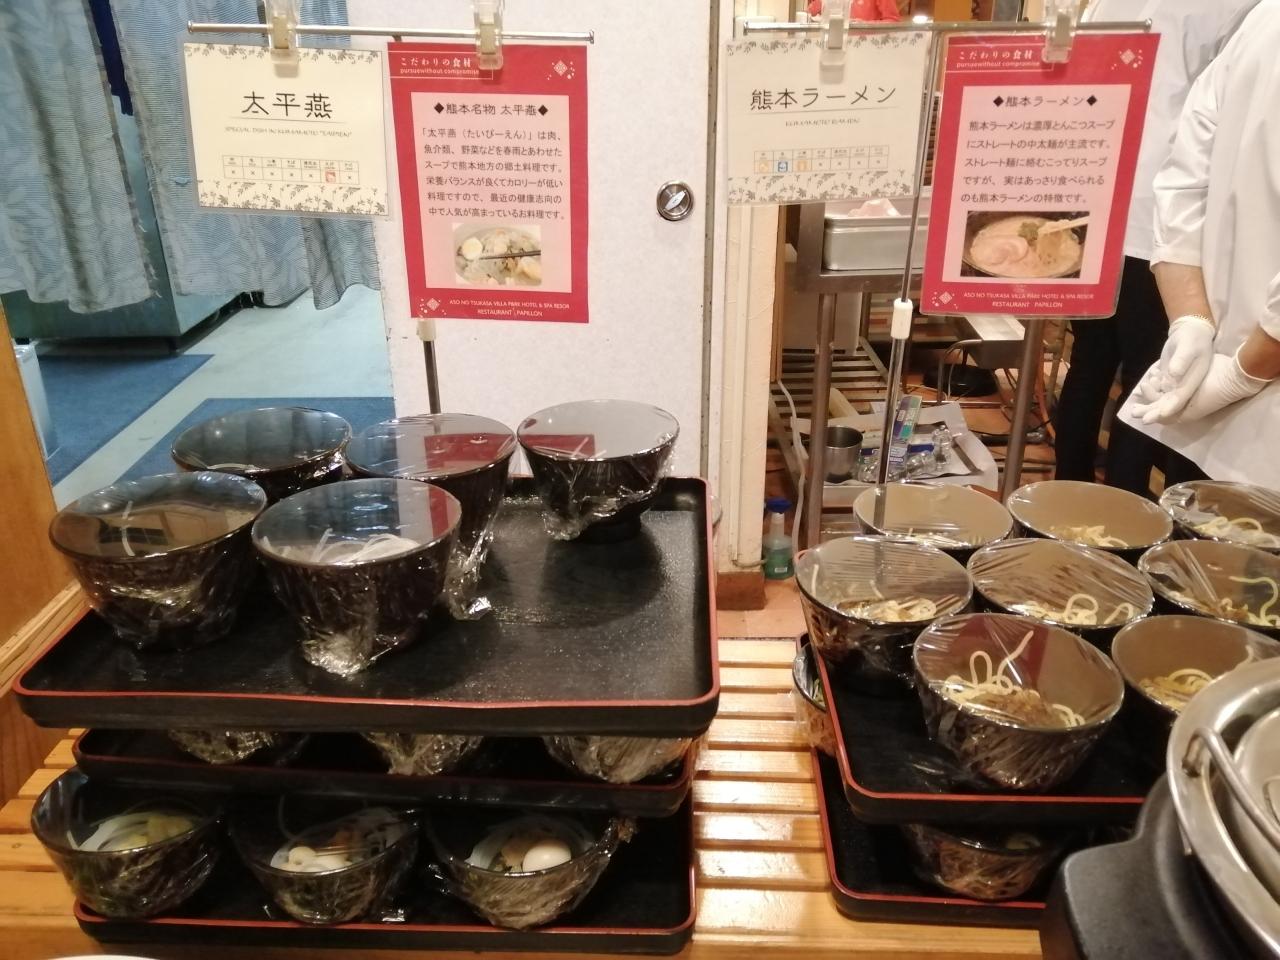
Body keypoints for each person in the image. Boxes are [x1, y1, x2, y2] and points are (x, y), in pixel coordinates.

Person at [1053, 0, 1259, 493]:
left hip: (1096, 201)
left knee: (1090, 363)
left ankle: (1065, 494)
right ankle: (1122, 511)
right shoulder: (1242, 9)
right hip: (1163, 223)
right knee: (1149, 375)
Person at [1122, 0, 1280, 487]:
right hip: (1222, 379)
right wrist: (1194, 325)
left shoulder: (1263, 20)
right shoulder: (1261, 20)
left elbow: (1184, 181)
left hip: (1218, 375)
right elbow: (1186, 178)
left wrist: (1195, 323)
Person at [806, 0, 901, 21]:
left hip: (866, 48)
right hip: (830, 48)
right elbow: (808, 13)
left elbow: (893, 22)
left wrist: (864, 26)